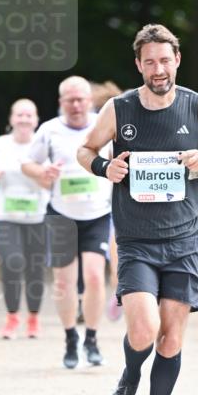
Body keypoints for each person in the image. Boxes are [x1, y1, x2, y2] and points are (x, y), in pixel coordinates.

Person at [77, 23, 198, 395]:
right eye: (150, 62)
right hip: (136, 240)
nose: (159, 69)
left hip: (184, 240)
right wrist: (102, 168)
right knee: (144, 330)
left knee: (172, 337)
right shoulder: (119, 108)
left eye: (165, 60)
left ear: (177, 60)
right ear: (138, 65)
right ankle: (129, 379)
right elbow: (85, 150)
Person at [22, 76, 112, 369]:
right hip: (62, 214)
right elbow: (27, 164)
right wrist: (42, 172)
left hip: (98, 213)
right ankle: (71, 337)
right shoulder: (49, 130)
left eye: (80, 99)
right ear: (61, 102)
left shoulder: (104, 124)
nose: (75, 105)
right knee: (64, 281)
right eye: (69, 100)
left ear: (90, 100)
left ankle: (92, 339)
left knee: (96, 276)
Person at [0, 99, 49, 339]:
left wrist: (42, 178)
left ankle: (33, 318)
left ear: (36, 119)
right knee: (11, 262)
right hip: (5, 215)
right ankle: (11, 317)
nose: (24, 119)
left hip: (37, 216)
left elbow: (51, 179)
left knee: (35, 270)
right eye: (20, 115)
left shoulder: (43, 145)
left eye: (29, 115)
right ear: (11, 119)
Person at [91, 81, 124, 321]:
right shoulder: (93, 131)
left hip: (112, 205)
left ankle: (118, 294)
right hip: (98, 205)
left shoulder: (116, 129)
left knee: (115, 256)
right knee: (110, 257)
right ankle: (116, 293)